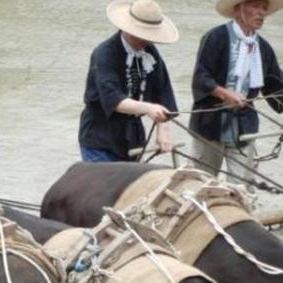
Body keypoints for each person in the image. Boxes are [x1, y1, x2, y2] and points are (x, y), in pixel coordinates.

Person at [189, 0, 283, 185]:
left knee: (243, 187)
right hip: (210, 122)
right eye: (255, 6)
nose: (261, 13)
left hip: (244, 124)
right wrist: (224, 93)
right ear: (239, 9)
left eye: (264, 8)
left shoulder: (262, 48)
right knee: (201, 184)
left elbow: (276, 87)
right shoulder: (216, 37)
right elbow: (201, 77)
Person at [78, 0, 179, 162]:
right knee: (107, 187)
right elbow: (115, 101)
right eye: (143, 34)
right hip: (100, 139)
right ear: (128, 28)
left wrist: (163, 132)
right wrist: (148, 108)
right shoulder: (104, 54)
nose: (147, 40)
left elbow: (163, 95)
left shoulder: (150, 53)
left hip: (132, 140)